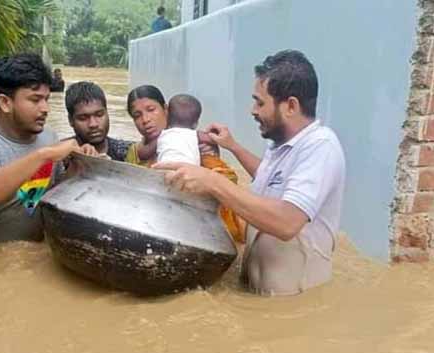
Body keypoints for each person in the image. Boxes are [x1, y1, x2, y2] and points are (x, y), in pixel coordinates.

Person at [154, 50, 346, 296]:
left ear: (290, 106)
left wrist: (213, 182)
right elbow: (270, 180)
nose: (252, 110)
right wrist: (232, 146)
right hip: (258, 295)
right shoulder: (281, 145)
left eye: (260, 102)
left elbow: (287, 222)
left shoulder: (321, 147)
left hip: (290, 307)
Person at [0, 53, 94, 242]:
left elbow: (42, 197)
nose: (45, 109)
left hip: (30, 254)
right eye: (35, 100)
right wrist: (45, 155)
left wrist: (79, 169)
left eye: (46, 99)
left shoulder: (49, 137)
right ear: (5, 103)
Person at [125, 85, 244, 243]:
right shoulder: (134, 152)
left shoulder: (196, 146)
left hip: (192, 230)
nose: (145, 120)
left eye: (151, 109)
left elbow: (228, 184)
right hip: (149, 225)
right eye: (137, 115)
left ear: (166, 109)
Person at [64, 81, 133, 161]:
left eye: (99, 115)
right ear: (70, 120)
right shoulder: (59, 157)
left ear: (107, 113)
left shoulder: (127, 153)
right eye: (83, 118)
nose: (93, 124)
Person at [155, 94, 202, 165]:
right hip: (190, 171)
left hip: (165, 169)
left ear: (167, 115)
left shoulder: (164, 134)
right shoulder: (194, 136)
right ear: (195, 124)